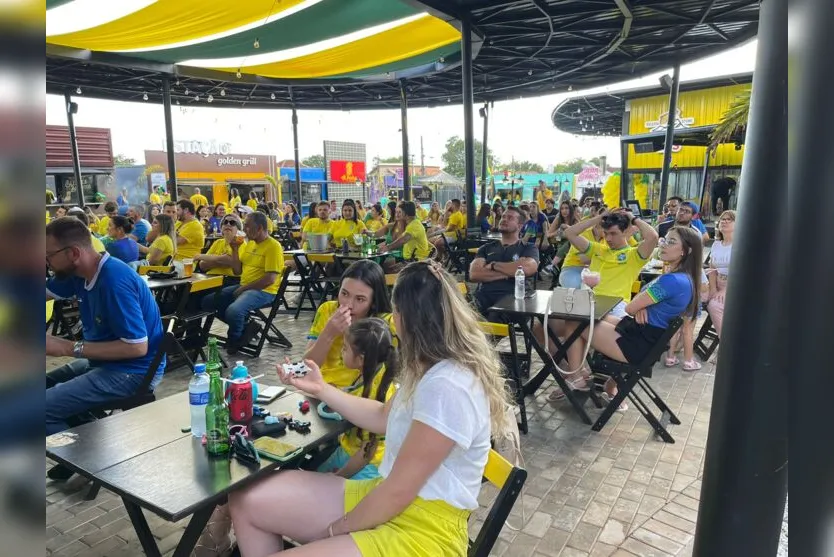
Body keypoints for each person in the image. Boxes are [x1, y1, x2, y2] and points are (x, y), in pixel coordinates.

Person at [228, 260, 514, 557]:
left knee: (256, 499)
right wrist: (321, 388)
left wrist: (334, 531)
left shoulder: (449, 385)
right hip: (387, 496)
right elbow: (382, 417)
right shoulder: (430, 367)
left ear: (405, 317)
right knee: (246, 499)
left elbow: (398, 491)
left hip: (423, 530)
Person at [46, 217, 165, 448]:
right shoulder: (79, 273)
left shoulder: (113, 280)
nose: (47, 262)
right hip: (105, 363)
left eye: (49, 256)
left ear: (73, 253)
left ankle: (88, 464)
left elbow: (136, 347)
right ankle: (90, 436)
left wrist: (68, 347)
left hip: (134, 371)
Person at [541, 209, 658, 401]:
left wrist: (633, 218)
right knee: (542, 328)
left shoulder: (634, 255)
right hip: (588, 305)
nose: (609, 238)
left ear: (626, 232)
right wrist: (598, 218)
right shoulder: (598, 249)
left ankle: (576, 375)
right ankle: (574, 372)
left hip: (615, 309)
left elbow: (652, 236)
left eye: (614, 234)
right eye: (606, 233)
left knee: (574, 324)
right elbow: (569, 233)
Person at [316, 317, 398, 480]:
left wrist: (339, 476)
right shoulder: (375, 373)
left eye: (345, 348)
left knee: (316, 481)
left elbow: (367, 452)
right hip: (353, 451)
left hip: (368, 464)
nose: (341, 352)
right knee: (316, 473)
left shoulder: (377, 394)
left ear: (361, 359)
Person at [202, 212, 284, 353]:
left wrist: (244, 289)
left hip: (265, 290)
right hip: (245, 285)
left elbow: (270, 279)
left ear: (259, 228)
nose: (244, 229)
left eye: (247, 226)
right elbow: (237, 271)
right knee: (208, 302)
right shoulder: (250, 244)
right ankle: (246, 327)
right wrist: (234, 249)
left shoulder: (273, 246)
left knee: (234, 311)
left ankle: (235, 340)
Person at [305, 260, 393, 388]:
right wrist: (328, 334)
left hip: (361, 396)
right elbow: (306, 367)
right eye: (344, 293)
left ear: (373, 301)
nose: (348, 305)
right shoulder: (327, 310)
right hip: (322, 387)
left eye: (360, 299)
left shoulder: (384, 324)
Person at [469, 206, 539, 317]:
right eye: (503, 217)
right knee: (459, 316)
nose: (504, 219)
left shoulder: (528, 248)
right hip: (483, 296)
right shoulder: (486, 248)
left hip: (514, 299)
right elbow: (474, 274)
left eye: (510, 218)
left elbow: (528, 268)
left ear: (520, 226)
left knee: (494, 316)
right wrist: (511, 272)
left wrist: (493, 265)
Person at [557, 206, 605, 288]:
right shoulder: (584, 234)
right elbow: (585, 260)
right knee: (581, 287)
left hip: (594, 271)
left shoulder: (610, 237)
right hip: (573, 268)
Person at [706, 210, 735, 339]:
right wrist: (713, 289)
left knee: (714, 306)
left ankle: (727, 345)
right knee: (690, 297)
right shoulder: (716, 244)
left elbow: (739, 272)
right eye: (723, 219)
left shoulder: (740, 245)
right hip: (715, 282)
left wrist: (724, 291)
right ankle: (678, 341)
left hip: (733, 286)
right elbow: (712, 268)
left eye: (729, 219)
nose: (725, 221)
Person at [379, 201, 431, 270]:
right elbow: (400, 238)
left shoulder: (414, 225)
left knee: (387, 269)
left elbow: (403, 239)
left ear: (406, 214)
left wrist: (388, 247)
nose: (398, 214)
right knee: (386, 266)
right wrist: (384, 244)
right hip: (410, 259)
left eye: (400, 212)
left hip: (416, 261)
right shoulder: (411, 223)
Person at [194, 213, 244, 280]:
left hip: (229, 279)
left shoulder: (240, 243)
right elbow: (202, 265)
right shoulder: (218, 242)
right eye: (225, 222)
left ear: (238, 228)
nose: (228, 224)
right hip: (210, 277)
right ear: (221, 227)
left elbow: (229, 260)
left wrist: (200, 256)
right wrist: (220, 261)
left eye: (232, 223)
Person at [546, 200, 581, 268]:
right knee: (567, 241)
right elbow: (548, 234)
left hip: (573, 244)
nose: (564, 211)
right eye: (562, 208)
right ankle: (554, 264)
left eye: (566, 208)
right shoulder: (558, 218)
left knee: (570, 241)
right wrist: (559, 230)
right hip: (559, 241)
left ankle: (553, 264)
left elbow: (579, 233)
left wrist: (567, 227)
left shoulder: (575, 219)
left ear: (570, 209)